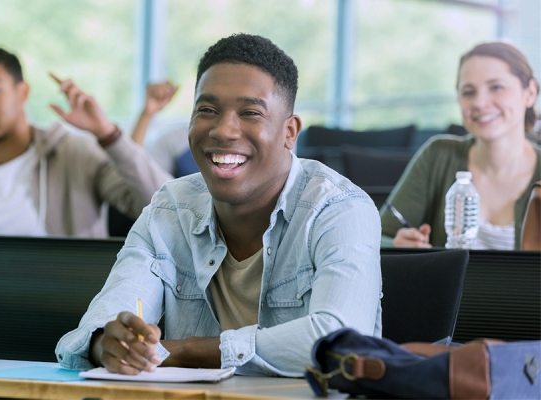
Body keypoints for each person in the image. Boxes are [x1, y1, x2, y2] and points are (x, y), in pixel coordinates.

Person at [56, 33, 382, 377]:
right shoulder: (169, 209)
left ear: (290, 132)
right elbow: (92, 329)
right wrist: (107, 343)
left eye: (250, 113)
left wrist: (188, 351)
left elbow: (341, 342)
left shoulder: (340, 209)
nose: (224, 130)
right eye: (207, 110)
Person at [0, 46, 172, 237]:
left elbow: (166, 207)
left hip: (66, 291)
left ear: (23, 93)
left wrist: (108, 134)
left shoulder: (74, 154)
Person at [381, 42, 541, 249]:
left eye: (496, 87)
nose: (479, 103)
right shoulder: (438, 155)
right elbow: (377, 237)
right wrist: (396, 245)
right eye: (468, 92)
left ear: (529, 93)